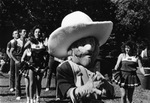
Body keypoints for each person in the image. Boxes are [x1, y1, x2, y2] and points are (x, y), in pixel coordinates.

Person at [48, 11, 113, 103]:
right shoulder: (65, 68)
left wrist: (106, 86)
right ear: (72, 49)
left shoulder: (97, 65)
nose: (89, 48)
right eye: (83, 44)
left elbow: (110, 92)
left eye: (92, 43)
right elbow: (66, 93)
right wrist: (84, 89)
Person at [24, 25, 48, 103]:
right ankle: (31, 99)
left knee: (38, 81)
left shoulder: (43, 42)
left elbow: (46, 52)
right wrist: (28, 47)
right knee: (31, 82)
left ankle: (38, 97)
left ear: (41, 33)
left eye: (39, 32)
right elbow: (24, 47)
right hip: (32, 64)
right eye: (36, 32)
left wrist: (45, 46)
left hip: (40, 64)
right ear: (33, 33)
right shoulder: (31, 41)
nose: (37, 33)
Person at [10, 28, 27, 100]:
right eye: (24, 32)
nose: (25, 33)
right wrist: (15, 60)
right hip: (18, 60)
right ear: (20, 33)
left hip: (25, 60)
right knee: (18, 77)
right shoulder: (16, 42)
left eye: (25, 32)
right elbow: (11, 52)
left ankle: (29, 93)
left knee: (27, 77)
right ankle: (18, 94)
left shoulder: (27, 41)